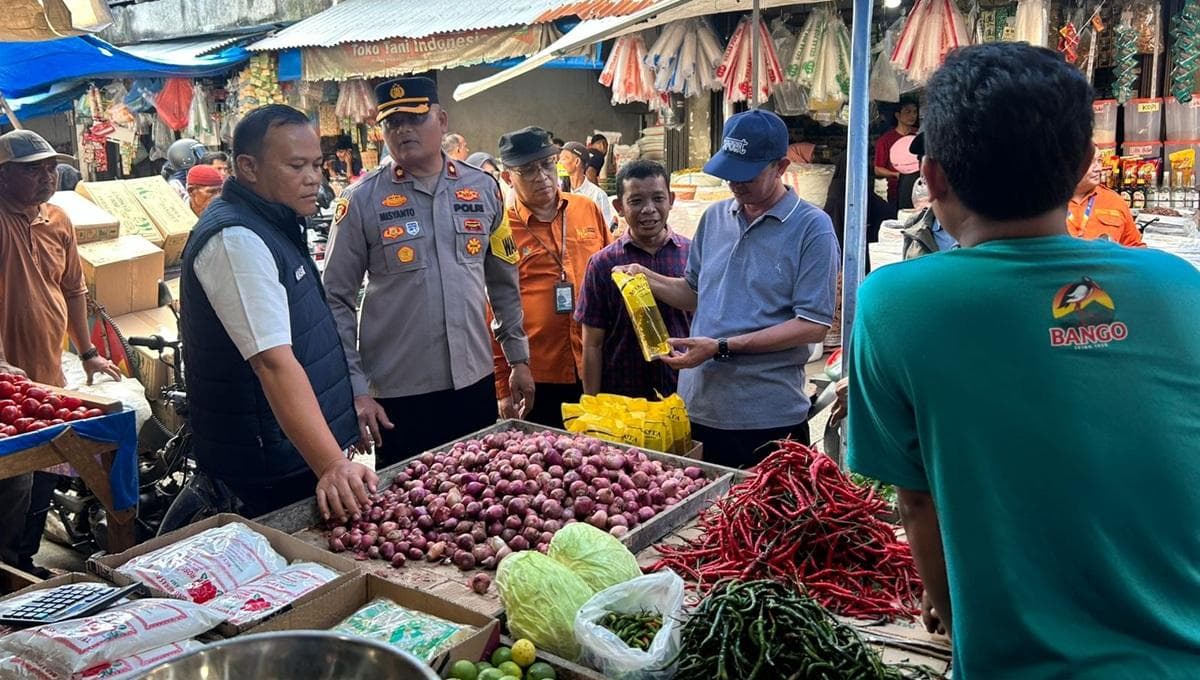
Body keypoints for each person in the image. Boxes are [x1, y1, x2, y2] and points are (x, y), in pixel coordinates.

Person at [847, 43, 1200, 678]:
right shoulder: (1180, 287)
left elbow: (917, 504)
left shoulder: (894, 303)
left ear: (932, 178)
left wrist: (965, 639)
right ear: (1085, 168)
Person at [173, 105, 377, 528]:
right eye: (296, 165)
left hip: (293, 449)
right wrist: (332, 464)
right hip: (268, 466)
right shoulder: (236, 240)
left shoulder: (277, 221)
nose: (313, 177)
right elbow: (273, 363)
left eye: (317, 164)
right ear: (248, 167)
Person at [323, 77, 532, 469]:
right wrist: (354, 389)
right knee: (408, 511)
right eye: (391, 121)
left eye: (414, 118)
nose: (402, 129)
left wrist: (518, 358)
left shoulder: (484, 189)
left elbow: (504, 283)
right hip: (399, 393)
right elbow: (335, 300)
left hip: (473, 381)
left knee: (477, 496)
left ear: (441, 119)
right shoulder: (361, 201)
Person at [621, 110, 839, 468]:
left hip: (767, 417)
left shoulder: (812, 228)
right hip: (698, 407)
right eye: (729, 174)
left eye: (747, 176)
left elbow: (812, 324)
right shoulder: (715, 217)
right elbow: (694, 293)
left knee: (765, 520)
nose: (735, 185)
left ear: (781, 166)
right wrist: (645, 278)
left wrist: (721, 347)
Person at [0, 130, 122, 573]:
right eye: (32, 169)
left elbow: (73, 289)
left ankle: (24, 560)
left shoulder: (58, 219)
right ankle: (8, 567)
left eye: (51, 167)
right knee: (13, 479)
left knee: (49, 468)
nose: (46, 177)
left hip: (46, 371)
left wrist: (88, 351)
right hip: (7, 384)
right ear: (3, 175)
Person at [493, 126, 611, 426]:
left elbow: (612, 274)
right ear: (508, 177)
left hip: (595, 364)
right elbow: (491, 310)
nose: (541, 176)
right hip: (538, 373)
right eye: (527, 170)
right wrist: (502, 386)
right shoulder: (501, 229)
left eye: (546, 164)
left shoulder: (587, 209)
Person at [575, 160, 690, 399]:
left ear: (671, 199)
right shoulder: (602, 264)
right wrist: (593, 407)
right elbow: (592, 344)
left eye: (658, 198)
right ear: (619, 206)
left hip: (685, 393)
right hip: (623, 400)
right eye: (636, 201)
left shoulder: (693, 255)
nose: (649, 209)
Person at [1068, 148, 1144, 247]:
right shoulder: (1047, 201)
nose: (1099, 168)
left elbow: (1134, 246)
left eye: (1099, 160)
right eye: (1090, 162)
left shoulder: (1115, 201)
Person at [874, 99, 919, 214]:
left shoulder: (919, 136)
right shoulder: (885, 140)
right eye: (908, 112)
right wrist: (896, 174)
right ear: (898, 115)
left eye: (915, 112)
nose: (912, 116)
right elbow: (878, 169)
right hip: (896, 191)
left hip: (920, 190)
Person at [560, 142, 616, 231]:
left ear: (577, 162)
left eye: (564, 159)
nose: (559, 163)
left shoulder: (598, 195)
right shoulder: (559, 192)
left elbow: (605, 227)